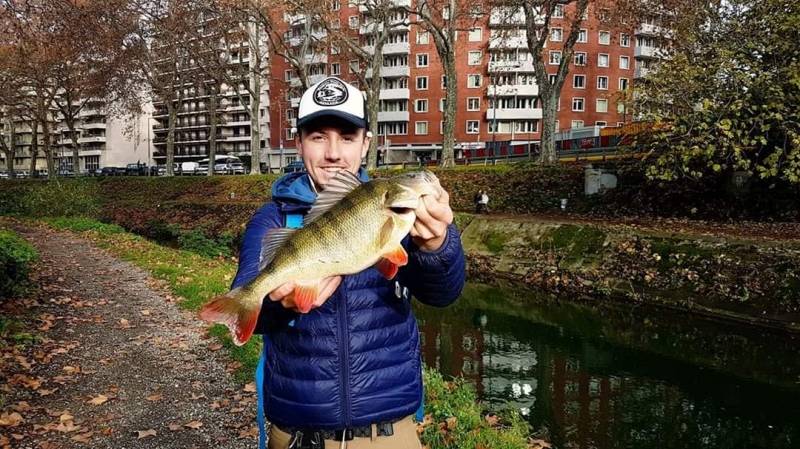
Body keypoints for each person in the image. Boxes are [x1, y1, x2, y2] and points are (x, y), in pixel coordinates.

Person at [230, 77, 466, 449]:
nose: (334, 153)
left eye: (348, 136)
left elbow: (443, 294)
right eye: (318, 136)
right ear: (299, 143)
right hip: (298, 436)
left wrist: (437, 244)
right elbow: (253, 307)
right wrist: (280, 304)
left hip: (390, 434)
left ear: (366, 143)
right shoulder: (274, 219)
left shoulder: (396, 211)